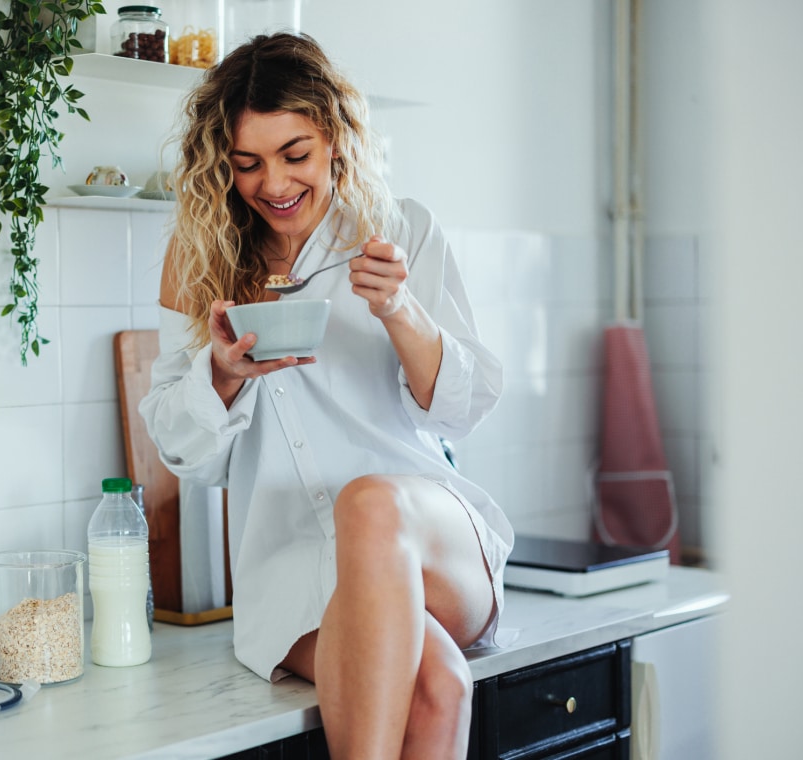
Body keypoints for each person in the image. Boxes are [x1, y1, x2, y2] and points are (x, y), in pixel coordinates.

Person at [139, 32, 513, 759]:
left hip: (433, 545)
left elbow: (464, 413)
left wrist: (401, 310)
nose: (273, 184)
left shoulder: (398, 229)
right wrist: (218, 373)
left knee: (368, 503)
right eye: (247, 163)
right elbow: (182, 454)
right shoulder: (200, 257)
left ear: (336, 139)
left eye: (295, 155)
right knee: (439, 687)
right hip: (291, 575)